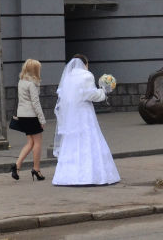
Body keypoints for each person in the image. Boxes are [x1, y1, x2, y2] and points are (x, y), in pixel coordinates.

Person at [52, 55, 120, 185]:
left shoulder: (68, 77)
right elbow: (91, 95)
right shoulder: (87, 75)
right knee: (88, 139)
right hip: (84, 114)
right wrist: (103, 91)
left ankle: (67, 176)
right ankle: (91, 175)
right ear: (85, 64)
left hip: (72, 115)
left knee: (72, 142)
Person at [10, 59, 46, 181]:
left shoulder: (21, 82)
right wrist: (42, 119)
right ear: (35, 70)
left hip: (22, 115)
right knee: (38, 143)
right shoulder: (32, 84)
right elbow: (36, 103)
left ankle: (17, 165)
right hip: (32, 116)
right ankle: (36, 169)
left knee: (30, 142)